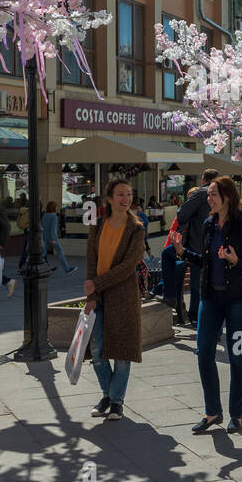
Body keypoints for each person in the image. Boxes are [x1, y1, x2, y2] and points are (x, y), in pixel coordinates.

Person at [172, 175, 242, 435]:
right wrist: (182, 252)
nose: (208, 199)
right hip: (209, 299)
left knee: (237, 356)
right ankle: (212, 412)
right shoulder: (209, 223)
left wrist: (237, 261)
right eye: (208, 194)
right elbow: (205, 260)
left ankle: (237, 414)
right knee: (203, 354)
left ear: (227, 197)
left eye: (212, 195)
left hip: (238, 302)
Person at [85, 178, 145, 422]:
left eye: (129, 195)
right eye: (120, 194)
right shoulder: (98, 225)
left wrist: (96, 284)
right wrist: (91, 295)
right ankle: (107, 395)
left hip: (124, 296)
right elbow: (91, 261)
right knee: (97, 351)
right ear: (109, 198)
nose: (126, 200)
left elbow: (128, 265)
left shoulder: (136, 228)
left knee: (122, 352)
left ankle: (116, 401)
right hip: (99, 298)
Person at [175, 169, 219, 328]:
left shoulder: (201, 193)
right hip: (219, 242)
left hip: (197, 243)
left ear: (203, 180)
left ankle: (194, 314)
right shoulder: (226, 193)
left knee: (195, 279)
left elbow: (181, 214)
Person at [39, 201, 77, 274]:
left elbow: (42, 226)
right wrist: (53, 239)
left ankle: (45, 267)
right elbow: (53, 228)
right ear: (54, 208)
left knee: (42, 254)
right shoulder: (54, 216)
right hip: (53, 238)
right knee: (60, 253)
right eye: (56, 206)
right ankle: (67, 269)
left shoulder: (44, 215)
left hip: (45, 237)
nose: (57, 208)